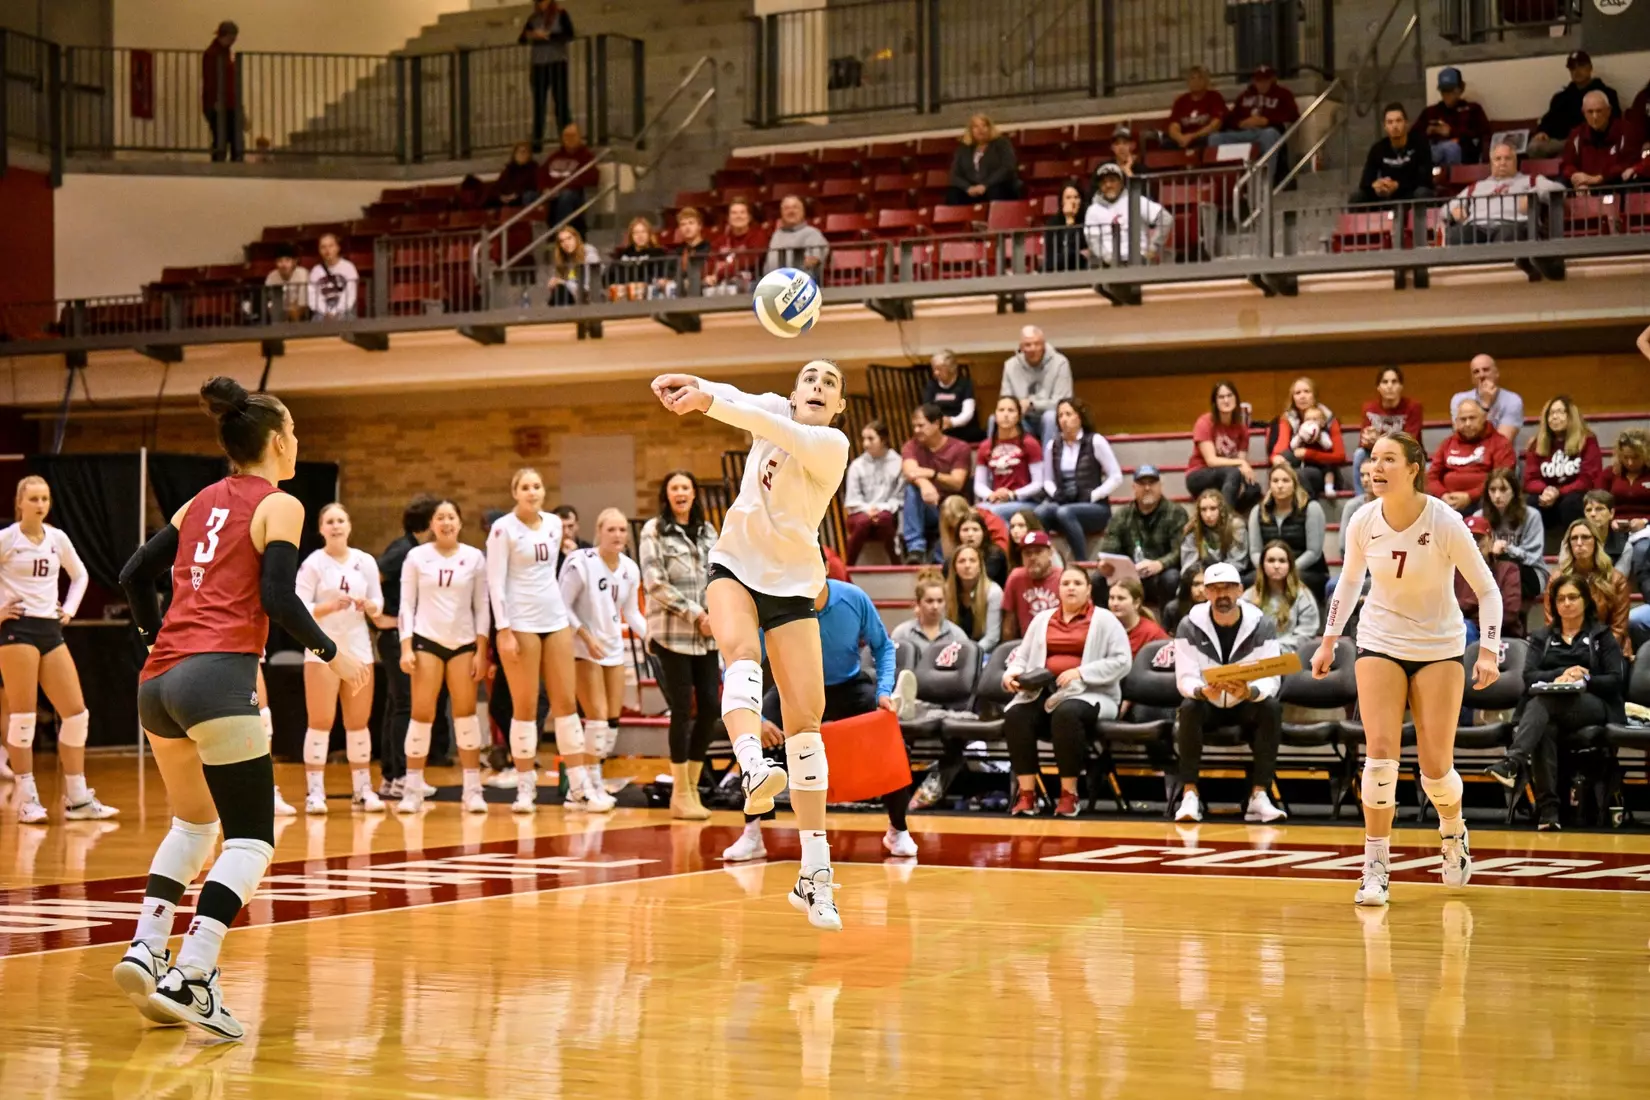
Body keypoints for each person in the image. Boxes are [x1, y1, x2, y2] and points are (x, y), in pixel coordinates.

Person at [114, 377, 369, 1038]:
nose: (298, 442)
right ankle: (193, 974)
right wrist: (333, 654)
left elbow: (134, 574)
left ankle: (146, 946)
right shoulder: (279, 504)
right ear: (278, 441)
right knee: (252, 836)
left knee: (193, 825)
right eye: (295, 432)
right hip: (218, 678)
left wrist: (156, 638)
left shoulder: (198, 500)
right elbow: (278, 598)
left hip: (157, 681)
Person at [650, 362, 851, 931]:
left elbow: (759, 419)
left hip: (792, 582)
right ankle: (752, 767)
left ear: (839, 407)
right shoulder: (773, 408)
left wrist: (708, 404)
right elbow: (736, 394)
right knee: (741, 655)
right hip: (735, 565)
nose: (818, 386)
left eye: (829, 383)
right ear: (794, 392)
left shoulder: (830, 444)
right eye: (809, 378)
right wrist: (696, 385)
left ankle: (815, 874)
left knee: (806, 723)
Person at [1312, 431, 1504, 908]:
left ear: (1414, 469)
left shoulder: (1444, 520)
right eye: (1373, 459)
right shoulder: (1362, 520)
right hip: (1380, 639)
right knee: (1380, 756)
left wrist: (1488, 651)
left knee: (1435, 769)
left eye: (1388, 459)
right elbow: (1349, 583)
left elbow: (1488, 590)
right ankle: (1375, 866)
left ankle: (1453, 830)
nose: (1375, 467)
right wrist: (1329, 640)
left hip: (1439, 644)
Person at [721, 572, 916, 862]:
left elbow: (883, 645)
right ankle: (752, 835)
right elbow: (738, 666)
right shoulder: (776, 606)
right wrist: (758, 719)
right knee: (752, 739)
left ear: (822, 568)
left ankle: (898, 829)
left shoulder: (853, 598)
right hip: (795, 688)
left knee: (888, 736)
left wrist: (884, 691)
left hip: (848, 686)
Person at [0, 476, 113, 823]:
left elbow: (80, 575)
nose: (40, 505)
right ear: (19, 502)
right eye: (34, 498)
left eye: (45, 498)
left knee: (76, 715)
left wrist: (70, 609)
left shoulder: (57, 538)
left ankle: (77, 799)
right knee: (23, 718)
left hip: (50, 630)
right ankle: (27, 799)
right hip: (17, 630)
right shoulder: (7, 539)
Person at [1484, 576, 1625, 830]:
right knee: (1544, 725)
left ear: (1585, 601)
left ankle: (1513, 761)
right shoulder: (1542, 637)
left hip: (1593, 704)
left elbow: (1616, 680)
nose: (1566, 603)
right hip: (1551, 706)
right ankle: (1549, 813)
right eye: (1560, 599)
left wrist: (1585, 678)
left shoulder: (1601, 635)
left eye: (1573, 597)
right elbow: (1529, 676)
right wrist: (1560, 675)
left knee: (1542, 704)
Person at [487, 469, 588, 813]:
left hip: (555, 618)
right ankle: (525, 789)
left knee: (566, 704)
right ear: (515, 492)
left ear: (544, 491)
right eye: (525, 487)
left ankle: (579, 788)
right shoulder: (502, 529)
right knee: (526, 706)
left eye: (537, 486)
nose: (532, 492)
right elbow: (495, 582)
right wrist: (503, 629)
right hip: (521, 622)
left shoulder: (555, 524)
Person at [1003, 564, 1130, 817]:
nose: (1071, 588)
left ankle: (1069, 794)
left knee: (1066, 712)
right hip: (1044, 693)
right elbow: (1021, 657)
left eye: (1077, 583)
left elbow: (1122, 661)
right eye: (1066, 583)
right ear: (1058, 589)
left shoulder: (1105, 620)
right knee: (1016, 714)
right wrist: (1012, 673)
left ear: (1089, 589)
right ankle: (1027, 794)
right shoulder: (1042, 619)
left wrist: (1082, 672)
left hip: (1093, 694)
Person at [1171, 562, 1288, 824]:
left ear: (1240, 590)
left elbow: (1272, 676)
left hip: (1244, 701)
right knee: (1188, 707)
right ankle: (1189, 794)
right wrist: (1202, 691)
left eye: (1228, 588)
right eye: (1214, 588)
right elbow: (1185, 676)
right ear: (1205, 593)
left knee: (1270, 708)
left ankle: (1259, 795)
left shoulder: (1262, 624)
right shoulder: (1188, 625)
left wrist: (1250, 691)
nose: (1222, 594)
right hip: (1208, 701)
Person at [396, 500, 490, 815]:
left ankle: (473, 790)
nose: (446, 522)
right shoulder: (416, 557)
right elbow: (406, 605)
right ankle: (412, 789)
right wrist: (406, 646)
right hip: (426, 642)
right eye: (440, 517)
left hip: (463, 644)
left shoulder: (474, 558)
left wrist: (481, 650)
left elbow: (482, 606)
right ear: (432, 524)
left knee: (466, 716)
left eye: (451, 517)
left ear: (460, 523)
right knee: (421, 715)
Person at [639, 470, 719, 820]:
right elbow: (654, 583)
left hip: (707, 634)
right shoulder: (654, 530)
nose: (681, 492)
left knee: (711, 707)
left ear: (694, 493)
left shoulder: (708, 531)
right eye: (674, 488)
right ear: (666, 495)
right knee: (683, 710)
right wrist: (696, 614)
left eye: (686, 486)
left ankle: (691, 787)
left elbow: (720, 574)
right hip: (672, 634)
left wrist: (716, 613)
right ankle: (680, 793)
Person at [294, 503, 384, 814]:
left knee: (358, 723)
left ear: (349, 526)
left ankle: (363, 789)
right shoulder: (313, 564)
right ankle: (315, 792)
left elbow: (379, 603)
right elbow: (298, 606)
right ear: (321, 529)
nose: (335, 526)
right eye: (329, 521)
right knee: (320, 722)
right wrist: (327, 607)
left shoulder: (365, 561)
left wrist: (368, 605)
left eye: (340, 520)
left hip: (358, 647)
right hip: (322, 649)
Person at [561, 509, 646, 809]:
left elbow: (631, 612)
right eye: (611, 529)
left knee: (611, 721)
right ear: (599, 531)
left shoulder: (630, 568)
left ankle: (591, 782)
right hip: (583, 648)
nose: (618, 535)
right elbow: (562, 605)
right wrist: (585, 636)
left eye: (622, 529)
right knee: (596, 718)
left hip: (613, 649)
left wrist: (652, 638)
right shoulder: (580, 562)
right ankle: (585, 787)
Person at [374, 495, 438, 800]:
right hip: (394, 637)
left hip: (401, 635)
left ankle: (391, 776)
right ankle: (401, 775)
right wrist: (379, 617)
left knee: (395, 704)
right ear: (428, 522)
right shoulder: (403, 551)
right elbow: (371, 577)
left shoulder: (415, 551)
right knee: (405, 705)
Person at [1034, 397, 1123, 558]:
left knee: (1064, 512)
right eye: (1060, 415)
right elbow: (1047, 480)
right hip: (1064, 502)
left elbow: (1116, 477)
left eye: (1068, 414)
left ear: (1079, 417)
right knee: (1041, 512)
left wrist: (1093, 495)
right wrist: (1056, 493)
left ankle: (1081, 562)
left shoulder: (1095, 441)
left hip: (1094, 507)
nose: (1064, 419)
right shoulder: (1053, 445)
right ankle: (1045, 559)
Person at [1099, 466, 1188, 609]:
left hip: (1160, 575)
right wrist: (1105, 564)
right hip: (1129, 578)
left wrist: (1160, 564)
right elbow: (1109, 549)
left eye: (1152, 483)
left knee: (1172, 578)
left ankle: (1167, 622)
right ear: (1134, 487)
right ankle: (1105, 621)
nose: (1147, 488)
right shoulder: (1121, 515)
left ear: (1160, 485)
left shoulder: (1176, 513)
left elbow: (1180, 550)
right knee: (1098, 579)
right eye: (1142, 483)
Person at [1442, 141, 1563, 246]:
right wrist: (1455, 209)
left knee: (1507, 235)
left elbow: (1559, 190)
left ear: (1515, 161)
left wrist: (1533, 193)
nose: (1502, 162)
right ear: (1491, 163)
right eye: (1498, 159)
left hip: (1514, 225)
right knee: (1455, 235)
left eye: (1507, 158)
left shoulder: (1531, 180)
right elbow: (1444, 210)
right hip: (1478, 227)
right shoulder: (1476, 186)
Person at [1546, 519, 1632, 658]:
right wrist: (1571, 652)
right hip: (1566, 650)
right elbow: (1551, 623)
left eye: (1585, 537)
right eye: (1574, 538)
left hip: (1607, 651)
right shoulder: (1557, 579)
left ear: (1597, 542)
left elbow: (1618, 628)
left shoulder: (1616, 580)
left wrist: (1591, 654)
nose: (1579, 543)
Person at [900, 403, 973, 564]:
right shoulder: (911, 446)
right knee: (911, 490)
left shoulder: (960, 447)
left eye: (921, 425)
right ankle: (916, 549)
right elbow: (910, 472)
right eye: (914, 426)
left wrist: (932, 474)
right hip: (927, 505)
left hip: (952, 506)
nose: (916, 430)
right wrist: (924, 484)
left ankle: (938, 559)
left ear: (937, 424)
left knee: (951, 506)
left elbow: (957, 482)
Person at [1248, 463, 1328, 604]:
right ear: (1270, 485)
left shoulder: (1311, 508)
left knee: (1295, 582)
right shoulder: (1258, 511)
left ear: (1294, 484)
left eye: (1285, 481)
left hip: (1306, 570)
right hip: (1268, 568)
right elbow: (1255, 551)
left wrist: (1287, 569)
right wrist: (1268, 568)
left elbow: (1313, 552)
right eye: (1275, 481)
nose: (1280, 485)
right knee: (1247, 581)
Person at [1524, 395, 1601, 535]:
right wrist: (1546, 491)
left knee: (1571, 503)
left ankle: (1574, 542)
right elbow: (1530, 479)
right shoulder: (1536, 443)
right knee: (1532, 503)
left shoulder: (1587, 440)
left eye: (1560, 412)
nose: (1554, 417)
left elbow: (1588, 479)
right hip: (1547, 498)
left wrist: (1559, 492)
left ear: (1571, 416)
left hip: (1574, 497)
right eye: (1551, 413)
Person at [1428, 398, 1517, 513]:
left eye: (1472, 418)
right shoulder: (1447, 443)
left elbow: (1502, 478)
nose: (1468, 424)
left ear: (1484, 417)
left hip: (1484, 502)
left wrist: (1470, 496)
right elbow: (1432, 477)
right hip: (1446, 502)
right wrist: (1443, 494)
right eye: (1463, 419)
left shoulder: (1500, 443)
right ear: (1456, 422)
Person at [1528, 51, 1620, 161]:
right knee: (1535, 147)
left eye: (1581, 66)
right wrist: (1542, 131)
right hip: (1563, 143)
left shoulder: (1607, 94)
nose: (1577, 71)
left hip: (1593, 141)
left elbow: (1616, 123)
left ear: (1590, 68)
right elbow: (1548, 120)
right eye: (1573, 68)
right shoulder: (1561, 98)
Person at [1185, 379, 1261, 511]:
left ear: (1236, 399)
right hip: (1199, 474)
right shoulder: (1205, 422)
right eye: (1221, 397)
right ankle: (1224, 518)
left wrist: (1242, 468)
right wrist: (1241, 463)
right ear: (1215, 402)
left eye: (1229, 395)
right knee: (1233, 472)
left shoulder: (1242, 429)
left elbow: (1240, 463)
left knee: (1253, 489)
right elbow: (1211, 461)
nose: (1226, 400)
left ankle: (1227, 513)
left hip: (1228, 476)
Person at [1267, 375, 1347, 498]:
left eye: (1307, 391)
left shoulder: (1328, 418)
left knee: (1299, 475)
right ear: (1293, 398)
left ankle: (1307, 507)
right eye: (1297, 393)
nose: (1302, 396)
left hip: (1325, 472)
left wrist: (1309, 454)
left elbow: (1340, 456)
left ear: (1314, 396)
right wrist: (1275, 458)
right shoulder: (1288, 419)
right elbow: (1281, 449)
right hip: (1297, 465)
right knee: (1284, 464)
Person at [1208, 65, 1300, 170]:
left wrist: (1267, 121)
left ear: (1272, 80)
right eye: (1259, 81)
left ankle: (1268, 179)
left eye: (1266, 81)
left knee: (1269, 134)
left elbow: (1292, 115)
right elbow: (1231, 118)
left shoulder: (1283, 94)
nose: (1262, 84)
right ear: (1254, 81)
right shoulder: (1245, 95)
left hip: (1265, 132)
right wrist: (1240, 123)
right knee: (1215, 138)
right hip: (1244, 132)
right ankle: (1223, 178)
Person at [975, 395, 1045, 524]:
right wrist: (991, 495)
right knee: (973, 513)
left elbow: (1038, 483)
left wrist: (1012, 494)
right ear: (995, 415)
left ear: (1018, 416)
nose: (1005, 414)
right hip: (995, 501)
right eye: (1001, 410)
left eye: (1011, 410)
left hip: (1025, 501)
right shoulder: (985, 446)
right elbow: (979, 484)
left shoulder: (1030, 443)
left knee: (993, 513)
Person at [1084, 163, 1172, 266]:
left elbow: (1166, 218)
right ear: (1099, 186)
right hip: (1108, 264)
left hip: (1140, 260)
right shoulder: (1093, 210)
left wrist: (1153, 247)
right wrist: (1109, 259)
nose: (1108, 185)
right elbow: (1093, 240)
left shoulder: (1135, 200)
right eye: (1103, 182)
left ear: (1121, 183)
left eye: (1112, 180)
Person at [1456, 514, 1522, 645]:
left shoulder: (1508, 570)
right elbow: (1443, 610)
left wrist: (1467, 610)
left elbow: (1509, 613)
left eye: (1478, 539)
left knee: (1463, 629)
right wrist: (1478, 603)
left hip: (1496, 634)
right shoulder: (1451, 571)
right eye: (1468, 539)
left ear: (1491, 541)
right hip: (1457, 629)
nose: (1474, 544)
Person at [1482, 467, 1548, 599]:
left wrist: (1506, 548)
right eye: (1492, 490)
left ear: (1514, 491)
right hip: (1494, 573)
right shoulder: (1480, 517)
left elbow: (1532, 557)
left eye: (1503, 489)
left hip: (1529, 574)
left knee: (1505, 565)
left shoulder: (1532, 516)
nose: (1497, 496)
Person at [1000, 326, 1073, 445]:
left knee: (1050, 417)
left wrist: (1032, 404)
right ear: (1021, 347)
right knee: (996, 418)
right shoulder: (1010, 365)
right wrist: (1016, 408)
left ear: (1044, 344)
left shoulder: (1060, 363)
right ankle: (999, 455)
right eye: (1028, 345)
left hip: (1051, 418)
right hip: (1022, 418)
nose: (1033, 348)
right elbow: (1005, 400)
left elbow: (1064, 403)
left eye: (1037, 344)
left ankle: (1049, 456)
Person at [844, 419, 904, 565]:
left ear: (883, 440)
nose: (865, 444)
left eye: (871, 439)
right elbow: (852, 499)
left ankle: (896, 564)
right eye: (863, 438)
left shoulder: (898, 462)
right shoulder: (857, 465)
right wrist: (868, 511)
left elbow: (899, 496)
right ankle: (849, 566)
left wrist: (880, 509)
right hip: (860, 513)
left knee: (885, 520)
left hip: (886, 513)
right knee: (863, 522)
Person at [1244, 540, 1320, 654]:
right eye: (1271, 560)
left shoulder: (1304, 596)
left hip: (1291, 657)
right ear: (1262, 565)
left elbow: (1306, 634)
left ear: (1290, 565)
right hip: (1256, 657)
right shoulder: (1248, 597)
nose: (1276, 566)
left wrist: (1275, 649)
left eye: (1282, 561)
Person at [1352, 103, 1435, 206]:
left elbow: (1425, 179)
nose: (1394, 126)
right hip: (1386, 195)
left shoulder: (1420, 144)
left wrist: (1397, 185)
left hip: (1411, 193)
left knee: (1422, 192)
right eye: (1390, 122)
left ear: (1406, 123)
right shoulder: (1377, 149)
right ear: (1385, 126)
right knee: (1357, 196)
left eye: (1398, 121)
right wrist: (1377, 185)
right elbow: (1365, 182)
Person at [520, 0, 575, 153]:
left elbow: (569, 35)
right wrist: (532, 35)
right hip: (539, 65)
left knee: (561, 105)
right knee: (539, 106)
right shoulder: (533, 18)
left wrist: (548, 36)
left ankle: (567, 141)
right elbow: (522, 39)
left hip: (557, 63)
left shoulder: (561, 14)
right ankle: (537, 143)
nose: (540, 4)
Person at [1352, 366, 1423, 473]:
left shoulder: (1413, 407)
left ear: (1401, 386)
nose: (1390, 386)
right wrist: (1367, 440)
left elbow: (1410, 441)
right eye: (1385, 382)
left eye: (1394, 382)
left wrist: (1379, 439)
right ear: (1378, 387)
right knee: (1359, 454)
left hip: (1405, 455)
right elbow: (1363, 442)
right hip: (1378, 453)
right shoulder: (1369, 408)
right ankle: (1362, 486)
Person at [1414, 66, 1488, 167]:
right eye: (1444, 90)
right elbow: (1413, 137)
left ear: (1461, 88)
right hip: (1434, 153)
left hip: (1462, 154)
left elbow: (1484, 135)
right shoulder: (1431, 112)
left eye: (1451, 90)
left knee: (1451, 148)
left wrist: (1451, 132)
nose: (1447, 95)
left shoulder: (1472, 109)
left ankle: (1452, 176)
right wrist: (1428, 132)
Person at [1560, 91, 1633, 191]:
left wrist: (1599, 178)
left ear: (1609, 111)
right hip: (1585, 190)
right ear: (1583, 113)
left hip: (1616, 189)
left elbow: (1628, 163)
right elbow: (1567, 164)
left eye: (1599, 111)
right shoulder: (1577, 134)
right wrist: (1577, 178)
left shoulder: (1625, 131)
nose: (1595, 116)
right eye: (1590, 112)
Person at [891, 569, 969, 657]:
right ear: (918, 603)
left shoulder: (957, 635)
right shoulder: (902, 634)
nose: (935, 606)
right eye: (929, 601)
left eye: (940, 601)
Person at [1450, 354, 1524, 446]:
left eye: (1486, 370)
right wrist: (1485, 405)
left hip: (1500, 455)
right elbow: (1462, 439)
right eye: (1476, 372)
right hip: (1467, 454)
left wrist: (1486, 405)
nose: (1481, 375)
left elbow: (1501, 445)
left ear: (1496, 373)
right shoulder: (1459, 400)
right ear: (1472, 379)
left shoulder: (1512, 400)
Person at [1002, 531, 1061, 642]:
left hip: (1058, 642)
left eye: (1038, 552)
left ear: (1050, 553)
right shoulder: (1016, 578)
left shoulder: (1063, 579)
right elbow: (1009, 625)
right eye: (1027, 553)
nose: (1032, 557)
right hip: (1026, 644)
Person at [947, 114, 1019, 204]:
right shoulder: (964, 149)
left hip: (997, 185)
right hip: (972, 188)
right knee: (953, 193)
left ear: (990, 128)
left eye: (984, 126)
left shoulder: (1002, 143)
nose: (980, 130)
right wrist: (968, 188)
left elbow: (1008, 167)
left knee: (995, 190)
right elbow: (954, 175)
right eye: (976, 127)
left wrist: (985, 185)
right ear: (971, 130)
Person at [945, 545, 1003, 654]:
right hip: (952, 650)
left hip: (984, 651)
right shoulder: (946, 592)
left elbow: (992, 637)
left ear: (980, 566)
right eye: (962, 561)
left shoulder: (993, 592)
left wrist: (969, 653)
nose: (967, 565)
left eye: (972, 560)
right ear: (954, 568)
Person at [540, 122, 598, 230]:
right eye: (566, 136)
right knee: (530, 196)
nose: (569, 139)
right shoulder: (555, 156)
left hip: (574, 195)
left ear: (579, 137)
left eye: (572, 135)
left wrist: (561, 188)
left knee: (566, 196)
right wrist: (544, 188)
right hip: (552, 193)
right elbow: (541, 173)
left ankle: (560, 232)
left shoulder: (586, 156)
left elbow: (592, 178)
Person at [1181, 488, 1250, 579]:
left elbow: (1237, 562)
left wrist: (1216, 576)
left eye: (1213, 509)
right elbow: (1189, 565)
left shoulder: (1236, 527)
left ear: (1221, 509)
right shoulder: (1193, 529)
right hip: (1203, 577)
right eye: (1203, 509)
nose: (1208, 515)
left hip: (1230, 576)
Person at [708, 198, 769, 294]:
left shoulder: (758, 236)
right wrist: (708, 276)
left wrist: (722, 270)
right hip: (723, 284)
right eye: (734, 213)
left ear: (749, 217)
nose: (738, 216)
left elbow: (750, 261)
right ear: (728, 218)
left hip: (752, 285)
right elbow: (710, 262)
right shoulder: (721, 240)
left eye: (742, 212)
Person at [201, 21, 242, 163]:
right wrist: (215, 101)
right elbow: (211, 80)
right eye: (232, 38)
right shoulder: (213, 54)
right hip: (220, 104)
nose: (233, 41)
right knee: (223, 138)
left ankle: (225, 163)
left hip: (227, 102)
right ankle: (225, 165)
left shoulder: (223, 52)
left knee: (228, 137)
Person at [923, 350, 983, 442]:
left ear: (951, 368)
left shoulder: (965, 384)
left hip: (963, 429)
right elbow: (927, 409)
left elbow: (968, 413)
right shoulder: (931, 385)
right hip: (940, 429)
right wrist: (940, 422)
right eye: (934, 369)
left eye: (939, 369)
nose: (936, 373)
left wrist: (952, 422)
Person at [606, 217, 671, 299]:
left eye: (643, 232)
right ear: (631, 236)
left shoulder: (658, 253)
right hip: (624, 295)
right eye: (636, 233)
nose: (640, 236)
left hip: (649, 295)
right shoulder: (622, 254)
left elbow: (661, 276)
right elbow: (608, 276)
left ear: (649, 234)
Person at [765, 194, 829, 275]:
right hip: (775, 280)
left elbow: (813, 261)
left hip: (801, 280)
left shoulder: (813, 233)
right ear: (781, 213)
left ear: (803, 212)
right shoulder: (776, 235)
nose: (791, 211)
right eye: (786, 208)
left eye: (795, 207)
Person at [1167, 65, 1228, 150]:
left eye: (1200, 78)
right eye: (1192, 78)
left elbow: (1216, 124)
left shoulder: (1214, 97)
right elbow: (1173, 126)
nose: (1196, 81)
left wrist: (1193, 136)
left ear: (1206, 81)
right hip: (1184, 139)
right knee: (1167, 144)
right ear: (1188, 82)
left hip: (1204, 137)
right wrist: (1180, 138)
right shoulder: (1181, 101)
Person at [1108, 577, 1169, 655]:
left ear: (1136, 603)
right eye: (1112, 598)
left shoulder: (1152, 633)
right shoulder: (1103, 627)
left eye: (1121, 598)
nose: (1115, 603)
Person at [547, 224, 601, 306]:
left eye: (569, 238)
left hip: (587, 299)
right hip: (571, 299)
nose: (566, 243)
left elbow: (587, 287)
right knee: (559, 291)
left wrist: (563, 283)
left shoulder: (588, 252)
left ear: (576, 238)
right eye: (562, 241)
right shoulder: (564, 259)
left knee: (561, 290)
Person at [308, 234, 359, 321]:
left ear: (338, 248)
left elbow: (350, 294)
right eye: (323, 247)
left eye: (331, 246)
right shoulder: (315, 271)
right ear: (319, 250)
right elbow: (313, 297)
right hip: (322, 312)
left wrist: (335, 312)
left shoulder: (349, 267)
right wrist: (326, 312)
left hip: (344, 310)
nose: (327, 250)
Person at [1042, 182, 1090, 272]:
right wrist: (1069, 219)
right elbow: (1051, 261)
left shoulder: (1088, 220)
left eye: (1076, 197)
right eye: (1068, 198)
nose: (1073, 201)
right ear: (1061, 202)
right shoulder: (1053, 223)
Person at [1608, 427, 1650, 525]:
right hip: (1615, 526)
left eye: (1636, 457)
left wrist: (1645, 521)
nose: (1630, 463)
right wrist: (1610, 521)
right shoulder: (1610, 473)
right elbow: (1598, 502)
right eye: (1625, 457)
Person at [670, 207, 713, 296]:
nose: (687, 227)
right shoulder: (677, 251)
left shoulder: (709, 247)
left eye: (691, 223)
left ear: (699, 226)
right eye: (683, 224)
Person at [488, 142, 542, 208]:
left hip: (523, 197)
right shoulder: (509, 169)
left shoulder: (533, 168)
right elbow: (498, 186)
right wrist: (501, 196)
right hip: (509, 198)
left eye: (525, 152)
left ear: (529, 155)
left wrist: (517, 194)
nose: (522, 154)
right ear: (514, 154)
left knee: (529, 195)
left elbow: (534, 185)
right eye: (520, 152)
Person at [263, 245, 308, 323]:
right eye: (279, 261)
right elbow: (269, 304)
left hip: (299, 316)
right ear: (275, 263)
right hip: (278, 315)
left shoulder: (302, 274)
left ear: (295, 262)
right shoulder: (271, 277)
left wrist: (290, 311)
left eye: (287, 260)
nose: (283, 265)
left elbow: (303, 305)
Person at [1164, 562, 1207, 632]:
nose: (1201, 590)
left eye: (1205, 584)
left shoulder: (1215, 607)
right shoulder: (1172, 609)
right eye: (1196, 584)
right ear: (1187, 586)